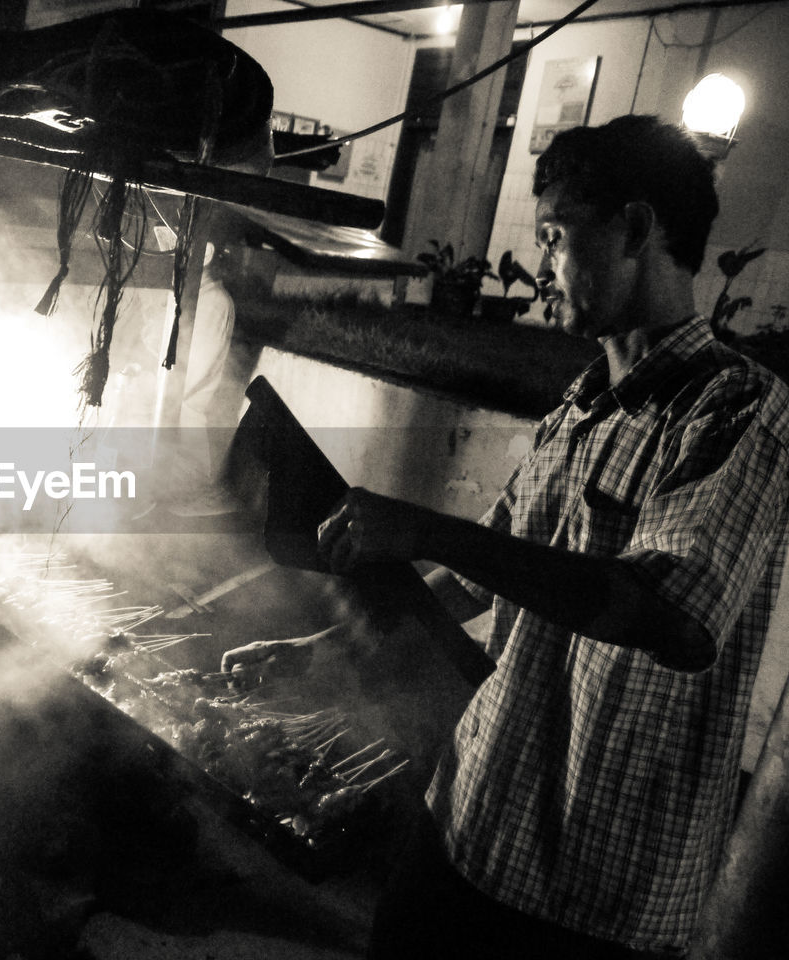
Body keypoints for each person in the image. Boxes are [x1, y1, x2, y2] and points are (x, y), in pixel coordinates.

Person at [222, 115, 789, 959]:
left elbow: (668, 613)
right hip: (471, 818)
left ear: (636, 228)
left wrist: (423, 527)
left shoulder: (737, 408)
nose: (548, 266)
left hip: (591, 890)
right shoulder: (577, 409)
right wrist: (319, 646)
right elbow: (473, 579)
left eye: (558, 235)